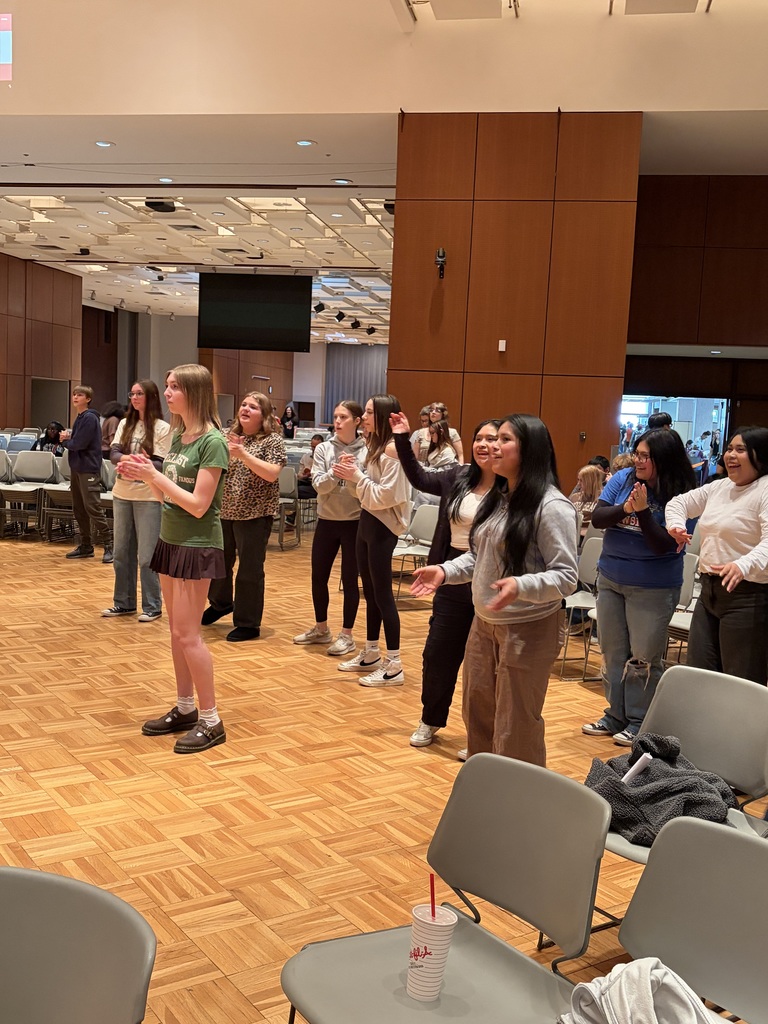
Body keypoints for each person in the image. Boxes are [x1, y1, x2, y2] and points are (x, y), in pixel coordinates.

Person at [411, 414, 578, 766]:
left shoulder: (551, 506)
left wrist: (522, 584)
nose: (493, 447)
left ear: (529, 449)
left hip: (528, 627)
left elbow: (566, 577)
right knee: (479, 714)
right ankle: (486, 787)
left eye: (504, 440)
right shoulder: (499, 496)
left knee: (515, 725)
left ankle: (518, 802)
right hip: (484, 624)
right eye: (493, 438)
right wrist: (444, 570)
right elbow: (478, 555)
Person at [119, 363, 229, 753]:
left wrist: (155, 475)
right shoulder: (182, 437)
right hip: (171, 540)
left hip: (197, 545)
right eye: (165, 386)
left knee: (189, 635)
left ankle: (212, 720)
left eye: (173, 387)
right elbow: (169, 495)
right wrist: (147, 475)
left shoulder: (213, 442)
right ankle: (185, 708)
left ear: (194, 393)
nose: (166, 393)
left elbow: (200, 505)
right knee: (175, 633)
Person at [391, 412, 500, 749]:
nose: (484, 445)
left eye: (492, 439)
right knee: (438, 653)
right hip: (451, 572)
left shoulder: (513, 486)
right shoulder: (459, 476)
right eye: (479, 438)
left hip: (493, 579)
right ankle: (430, 719)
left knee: (485, 665)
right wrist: (402, 438)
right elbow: (420, 478)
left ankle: (482, 735)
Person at [582, 429, 697, 745]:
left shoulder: (683, 492)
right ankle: (614, 716)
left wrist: (644, 510)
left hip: (653, 587)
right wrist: (627, 509)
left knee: (643, 659)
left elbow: (664, 545)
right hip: (611, 579)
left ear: (663, 458)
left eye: (646, 456)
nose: (638, 460)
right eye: (637, 454)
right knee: (613, 652)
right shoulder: (623, 479)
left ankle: (639, 722)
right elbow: (599, 518)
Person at [666, 426, 768, 684]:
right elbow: (678, 503)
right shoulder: (719, 487)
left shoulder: (764, 490)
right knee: (699, 675)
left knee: (740, 682)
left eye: (740, 450)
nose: (730, 456)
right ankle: (705, 726)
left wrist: (743, 564)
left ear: (761, 455)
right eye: (729, 449)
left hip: (748, 596)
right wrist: (676, 526)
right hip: (709, 592)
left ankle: (743, 727)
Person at [333, 394, 411, 686]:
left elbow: (386, 496)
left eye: (367, 412)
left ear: (382, 416)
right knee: (371, 593)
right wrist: (353, 475)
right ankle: (371, 652)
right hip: (367, 520)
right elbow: (365, 493)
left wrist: (357, 477)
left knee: (383, 595)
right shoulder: (375, 446)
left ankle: (394, 664)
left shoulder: (392, 449)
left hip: (382, 525)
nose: (363, 417)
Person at [201, 391, 286, 642]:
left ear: (265, 415)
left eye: (253, 407)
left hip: (255, 514)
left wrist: (243, 454)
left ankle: (248, 623)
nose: (246, 409)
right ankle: (220, 603)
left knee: (249, 570)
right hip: (224, 509)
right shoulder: (226, 436)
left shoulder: (272, 440)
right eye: (244, 405)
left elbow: (271, 474)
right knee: (218, 563)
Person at [293, 401, 367, 657]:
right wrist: (338, 473)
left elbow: (365, 492)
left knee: (349, 581)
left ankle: (347, 635)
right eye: (335, 416)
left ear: (357, 421)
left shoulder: (367, 450)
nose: (337, 421)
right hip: (326, 520)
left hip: (355, 523)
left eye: (343, 417)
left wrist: (353, 475)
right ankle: (321, 628)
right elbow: (319, 486)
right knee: (318, 577)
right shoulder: (324, 448)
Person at [102, 380, 172, 622]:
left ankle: (152, 605)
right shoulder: (124, 423)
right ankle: (123, 603)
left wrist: (132, 462)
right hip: (122, 493)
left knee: (146, 556)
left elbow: (161, 463)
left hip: (148, 497)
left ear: (151, 396)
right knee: (121, 553)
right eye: (132, 393)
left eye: (139, 393)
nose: (134, 397)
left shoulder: (163, 428)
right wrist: (132, 460)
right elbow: (113, 453)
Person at [60, 385, 113, 563]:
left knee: (93, 508)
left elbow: (79, 444)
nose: (75, 397)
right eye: (74, 394)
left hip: (88, 468)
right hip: (77, 468)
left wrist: (66, 442)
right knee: (79, 508)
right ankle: (86, 545)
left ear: (88, 399)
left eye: (80, 395)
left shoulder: (90, 418)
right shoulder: (80, 417)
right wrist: (70, 440)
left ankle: (109, 546)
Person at [569, 464, 604, 535]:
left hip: (591, 536)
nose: (578, 484)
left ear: (590, 481)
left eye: (581, 481)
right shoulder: (574, 497)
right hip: (574, 533)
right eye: (578, 480)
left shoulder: (603, 499)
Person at [297, 434, 324, 500]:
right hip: (305, 481)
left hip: (317, 485)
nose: (313, 449)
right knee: (292, 487)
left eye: (316, 447)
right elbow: (299, 475)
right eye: (312, 446)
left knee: (298, 490)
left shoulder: (325, 459)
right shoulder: (305, 457)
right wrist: (304, 476)